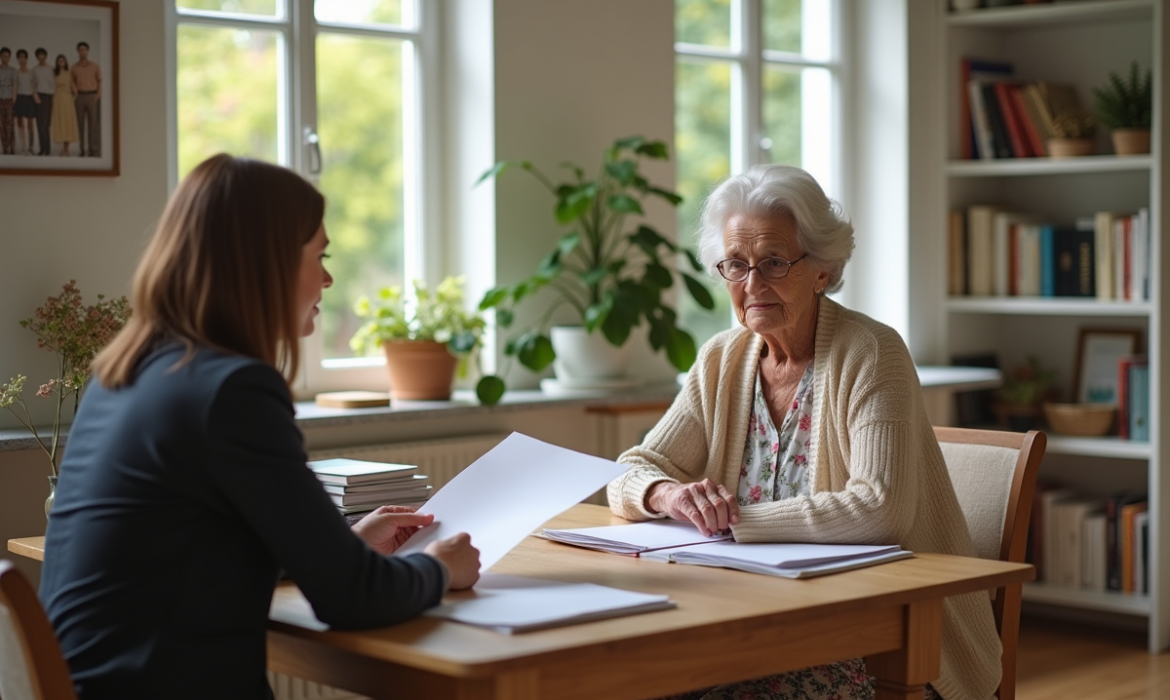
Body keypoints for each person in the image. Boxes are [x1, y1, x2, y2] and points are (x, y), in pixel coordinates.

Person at [39, 154, 482, 700]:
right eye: (319, 256)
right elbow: (352, 599)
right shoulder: (232, 391)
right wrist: (438, 569)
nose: (328, 277)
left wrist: (342, 547)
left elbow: (189, 557)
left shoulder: (125, 374)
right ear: (266, 263)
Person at [607, 165, 1001, 700]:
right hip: (750, 619)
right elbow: (628, 471)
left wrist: (730, 522)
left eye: (773, 262)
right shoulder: (721, 359)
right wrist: (669, 495)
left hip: (886, 638)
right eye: (736, 265)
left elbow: (880, 509)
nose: (752, 285)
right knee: (626, 680)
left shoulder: (871, 353)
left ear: (822, 269)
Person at [71, 41, 100, 156]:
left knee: (93, 124)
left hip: (92, 96)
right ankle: (82, 150)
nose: (82, 52)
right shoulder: (74, 67)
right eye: (80, 50)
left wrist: (98, 94)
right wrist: (75, 93)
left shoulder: (95, 66)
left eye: (84, 49)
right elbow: (72, 82)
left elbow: (99, 80)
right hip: (80, 97)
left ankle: (93, 149)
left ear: (87, 51)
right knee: (80, 124)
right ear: (77, 51)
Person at [50, 54, 78, 156]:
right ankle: (62, 148)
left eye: (63, 60)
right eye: (59, 61)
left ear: (65, 62)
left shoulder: (69, 73)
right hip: (58, 99)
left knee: (68, 123)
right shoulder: (54, 73)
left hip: (67, 99)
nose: (61, 62)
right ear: (57, 62)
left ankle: (67, 148)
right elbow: (52, 86)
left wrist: (75, 96)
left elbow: (73, 85)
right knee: (60, 122)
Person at [31, 48, 55, 156]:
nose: (41, 57)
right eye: (39, 55)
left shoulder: (51, 69)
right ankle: (43, 149)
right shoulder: (34, 69)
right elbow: (33, 84)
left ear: (45, 56)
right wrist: (35, 95)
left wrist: (54, 97)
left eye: (42, 55)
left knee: (46, 124)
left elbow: (54, 84)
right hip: (39, 96)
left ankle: (47, 149)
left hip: (49, 96)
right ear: (37, 57)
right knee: (40, 124)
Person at [13, 49, 36, 155]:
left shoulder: (31, 72)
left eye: (24, 57)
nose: (22, 59)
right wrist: (14, 99)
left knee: (30, 123)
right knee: (20, 123)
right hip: (20, 97)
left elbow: (33, 86)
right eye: (20, 57)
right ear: (18, 59)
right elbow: (15, 86)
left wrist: (35, 97)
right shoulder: (16, 72)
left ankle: (30, 147)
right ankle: (23, 147)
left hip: (29, 98)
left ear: (26, 59)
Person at [0, 47, 14, 155]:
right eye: (3, 56)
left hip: (9, 99)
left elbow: (14, 85)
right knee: (1, 125)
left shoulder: (12, 70)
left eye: (7, 56)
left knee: (9, 124)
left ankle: (11, 146)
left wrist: (14, 98)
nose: (5, 58)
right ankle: (4, 147)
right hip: (0, 99)